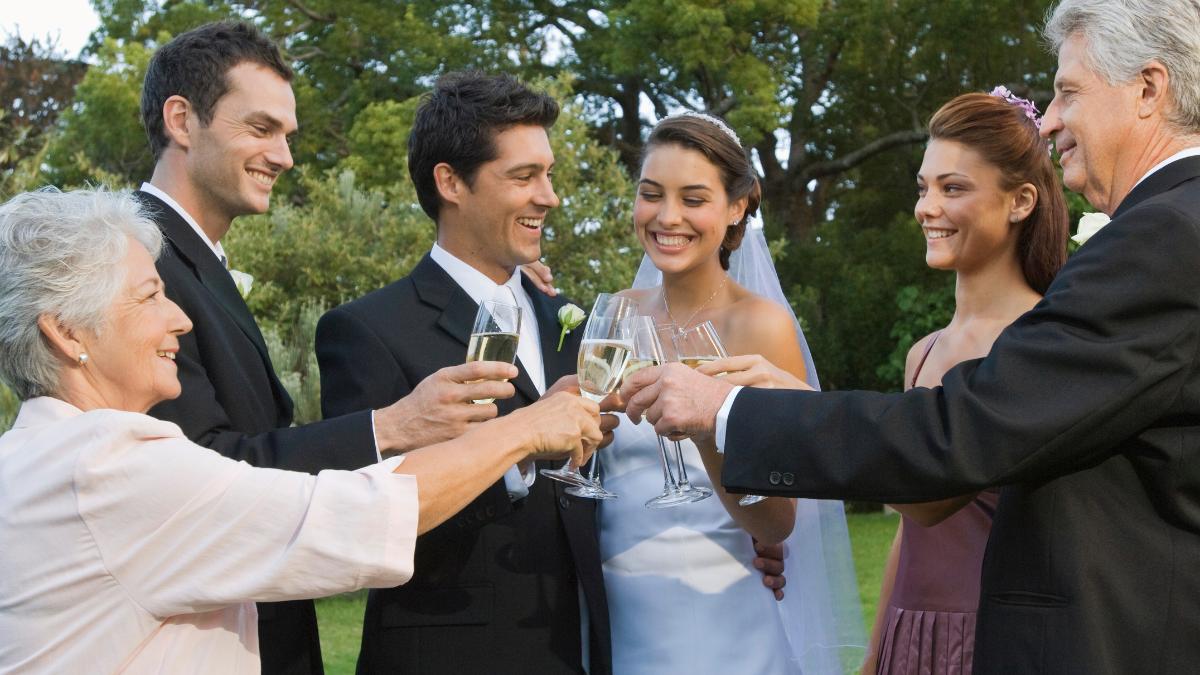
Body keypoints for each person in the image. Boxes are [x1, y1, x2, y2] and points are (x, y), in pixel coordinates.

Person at [623, 0, 1200, 672]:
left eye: (1068, 90)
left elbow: (963, 428)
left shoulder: (1163, 236)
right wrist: (788, 398)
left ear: (1149, 89)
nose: (1051, 118)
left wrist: (724, 410)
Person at [0, 187, 602, 674]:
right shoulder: (111, 468)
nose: (179, 318)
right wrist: (524, 429)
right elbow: (356, 514)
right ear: (68, 334)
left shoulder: (29, 457)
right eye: (149, 295)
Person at [135, 22, 514, 674]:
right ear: (181, 120)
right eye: (262, 128)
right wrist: (393, 425)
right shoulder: (141, 266)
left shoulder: (198, 261)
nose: (284, 156)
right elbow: (204, 471)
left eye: (288, 136)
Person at [315, 71, 613, 674]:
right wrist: (520, 450)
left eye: (548, 174)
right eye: (524, 177)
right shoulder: (366, 329)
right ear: (450, 182)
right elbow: (364, 516)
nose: (549, 196)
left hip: (580, 647)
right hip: (452, 653)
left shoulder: (567, 320)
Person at [600, 113, 864, 674]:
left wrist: (705, 431)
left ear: (737, 206)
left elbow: (777, 520)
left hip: (720, 622)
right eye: (652, 195)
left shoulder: (761, 327)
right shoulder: (615, 315)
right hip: (612, 615)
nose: (667, 217)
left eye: (693, 198)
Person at [861, 91, 1068, 675]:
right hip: (908, 632)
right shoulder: (922, 354)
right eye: (923, 187)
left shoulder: (1043, 341)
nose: (928, 207)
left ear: (1021, 201)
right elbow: (908, 525)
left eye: (953, 189)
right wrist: (877, 652)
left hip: (991, 639)